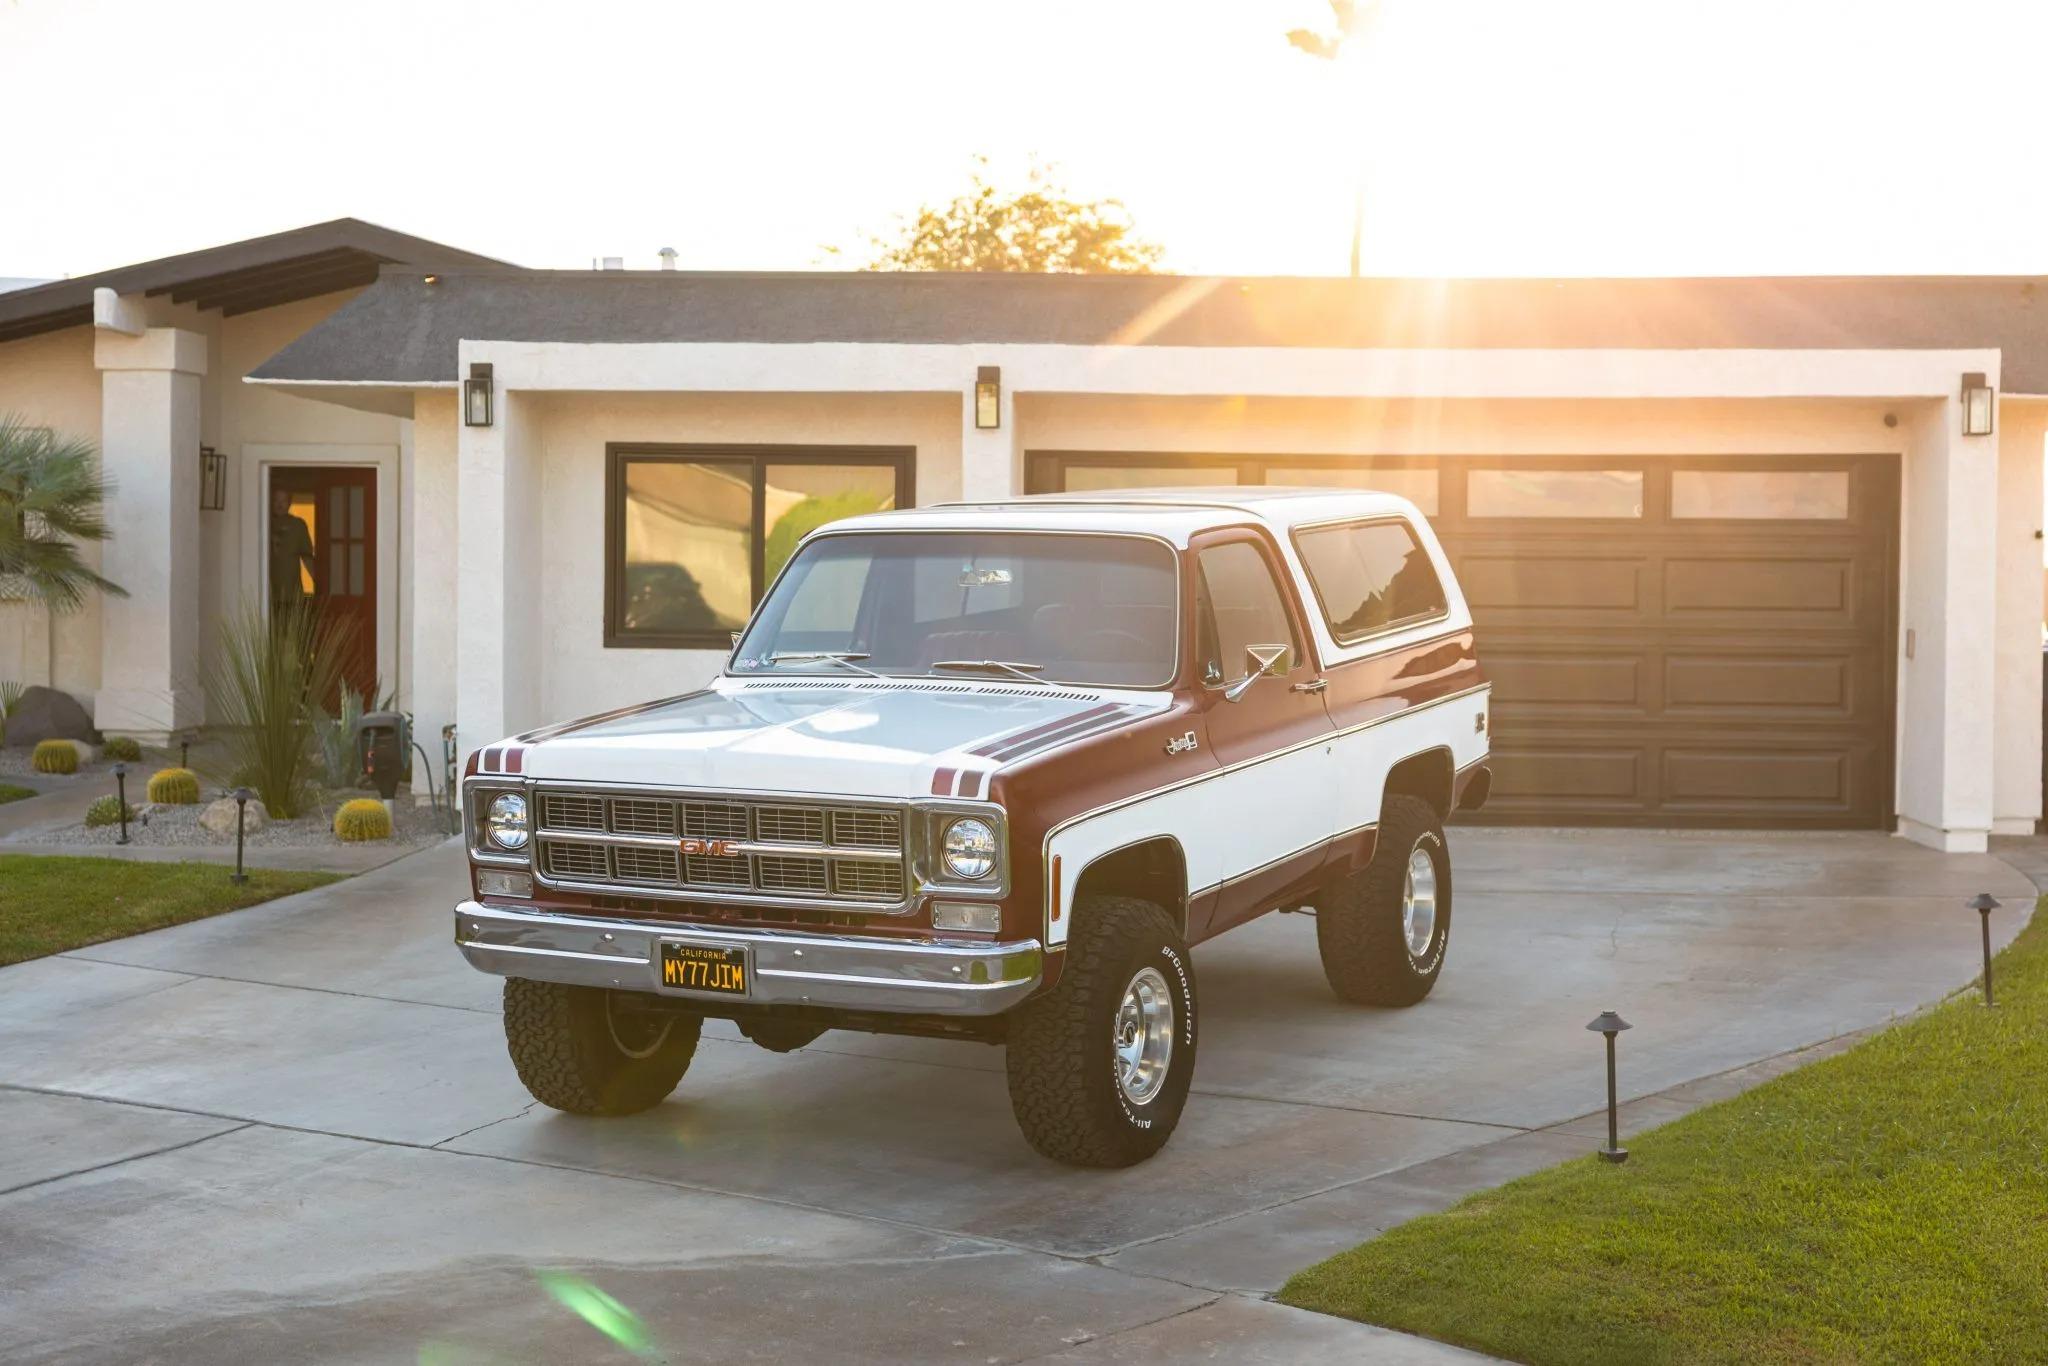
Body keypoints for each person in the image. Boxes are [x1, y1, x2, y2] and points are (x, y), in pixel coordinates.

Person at [268, 488, 316, 614]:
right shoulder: (263, 522)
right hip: (267, 594)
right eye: (276, 500)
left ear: (289, 502)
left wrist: (319, 583)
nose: (279, 504)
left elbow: (307, 557)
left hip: (292, 595)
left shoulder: (298, 525)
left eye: (283, 500)